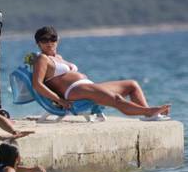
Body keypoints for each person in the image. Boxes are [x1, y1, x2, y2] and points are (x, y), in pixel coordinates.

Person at [32, 26, 171, 119]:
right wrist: (59, 100)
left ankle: (148, 114)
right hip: (74, 91)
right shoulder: (42, 59)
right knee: (116, 99)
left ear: (58, 40)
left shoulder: (58, 57)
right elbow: (37, 84)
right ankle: (149, 111)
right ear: (38, 43)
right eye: (44, 40)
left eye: (53, 39)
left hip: (86, 86)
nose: (49, 42)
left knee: (131, 85)